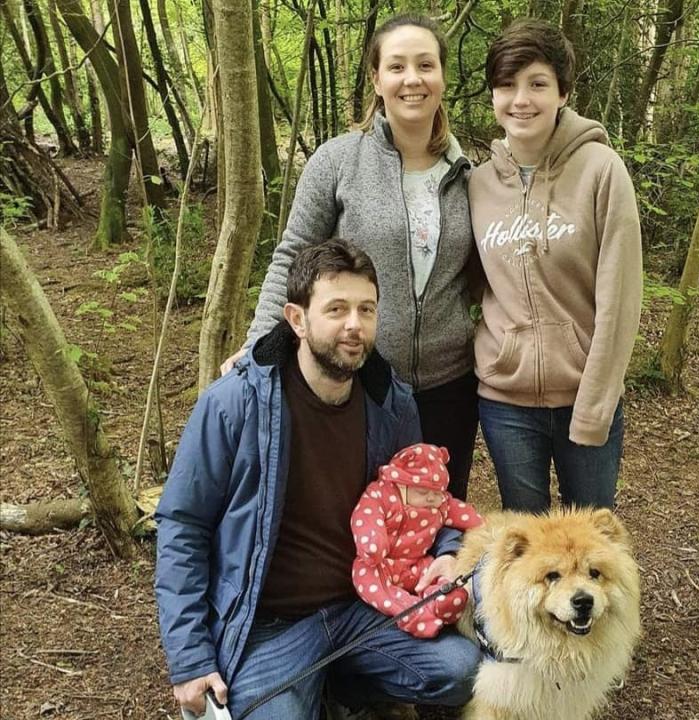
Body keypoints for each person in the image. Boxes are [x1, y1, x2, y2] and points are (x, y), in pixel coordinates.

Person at [155, 241, 479, 720]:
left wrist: (449, 551)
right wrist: (190, 659)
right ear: (297, 319)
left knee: (461, 670)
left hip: (366, 605)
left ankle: (344, 686)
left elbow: (430, 501)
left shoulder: (391, 403)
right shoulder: (234, 403)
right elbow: (183, 525)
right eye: (337, 309)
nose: (355, 324)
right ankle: (310, 688)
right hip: (272, 623)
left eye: (366, 309)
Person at [220, 14, 479, 501]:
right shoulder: (337, 161)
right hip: (359, 377)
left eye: (426, 65)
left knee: (436, 519)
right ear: (377, 80)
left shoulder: (469, 175)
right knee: (357, 517)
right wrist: (260, 345)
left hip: (450, 386)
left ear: (442, 77)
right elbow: (292, 256)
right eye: (397, 66)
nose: (412, 79)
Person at [468, 19, 643, 513]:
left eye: (537, 84)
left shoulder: (601, 170)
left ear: (563, 92)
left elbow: (620, 298)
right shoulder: (478, 184)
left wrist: (594, 406)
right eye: (507, 85)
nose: (521, 99)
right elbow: (469, 284)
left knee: (589, 548)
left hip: (583, 394)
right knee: (530, 554)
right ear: (493, 96)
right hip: (506, 404)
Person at [351, 443, 483, 639]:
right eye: (422, 492)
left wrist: (486, 526)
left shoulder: (440, 504)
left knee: (438, 574)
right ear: (402, 485)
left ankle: (443, 599)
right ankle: (412, 615)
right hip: (380, 564)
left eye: (436, 492)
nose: (431, 498)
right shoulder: (382, 495)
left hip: (417, 563)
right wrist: (372, 544)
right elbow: (366, 517)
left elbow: (465, 515)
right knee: (372, 581)